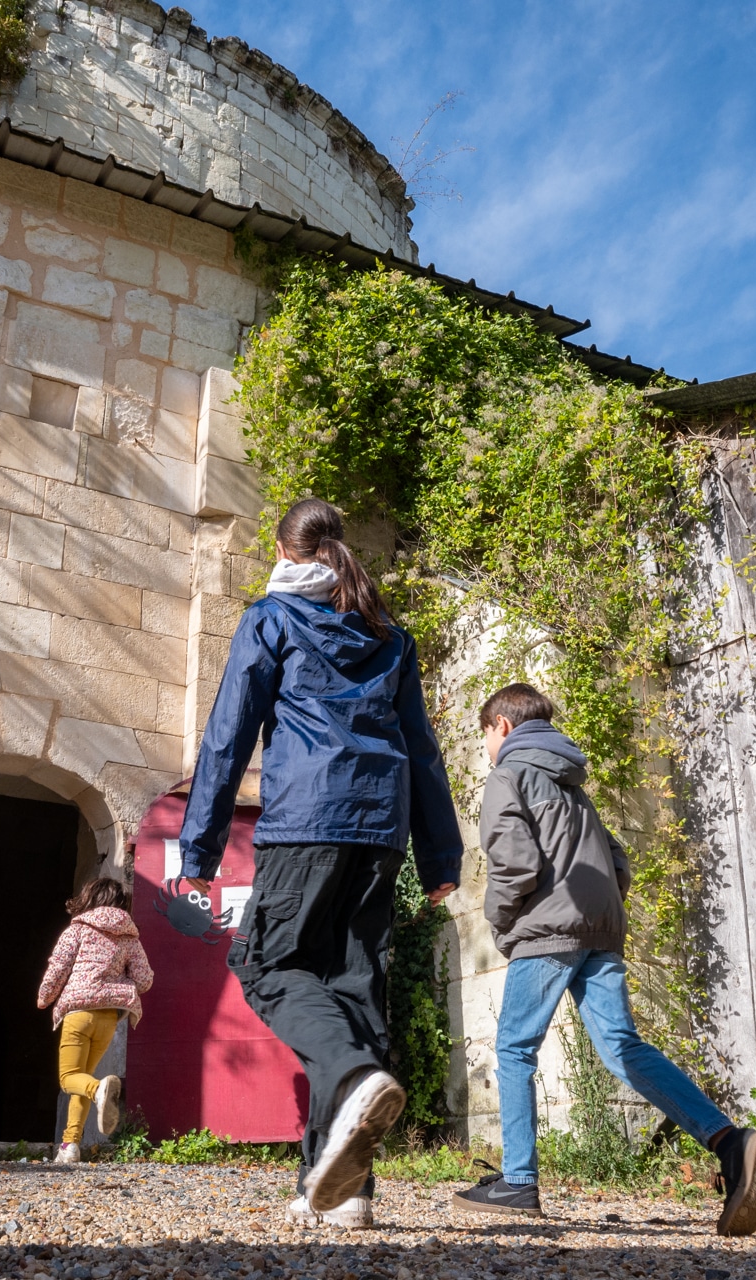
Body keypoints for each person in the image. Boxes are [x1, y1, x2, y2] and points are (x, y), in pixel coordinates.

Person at [180, 498, 463, 1229]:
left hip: (307, 820)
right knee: (355, 986)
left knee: (268, 965)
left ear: (285, 551)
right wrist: (440, 856)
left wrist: (200, 848)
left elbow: (227, 734)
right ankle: (340, 1189)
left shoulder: (271, 619)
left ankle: (353, 1075)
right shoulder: (389, 637)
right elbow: (423, 753)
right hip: (381, 832)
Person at [452, 683, 756, 1237]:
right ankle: (730, 1142)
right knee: (622, 1047)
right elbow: (617, 859)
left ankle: (518, 1181)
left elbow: (514, 864)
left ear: (500, 726)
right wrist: (599, 912)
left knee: (512, 1048)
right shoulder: (572, 782)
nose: (486, 746)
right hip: (599, 928)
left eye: (484, 734)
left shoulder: (509, 774)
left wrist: (506, 924)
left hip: (549, 929)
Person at [37, 876, 154, 1164]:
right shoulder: (130, 936)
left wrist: (44, 998)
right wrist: (118, 979)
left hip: (78, 1012)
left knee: (69, 1078)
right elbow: (144, 980)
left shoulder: (77, 930)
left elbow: (58, 969)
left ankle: (98, 1089)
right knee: (83, 1076)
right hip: (109, 1018)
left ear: (90, 898)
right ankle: (70, 1146)